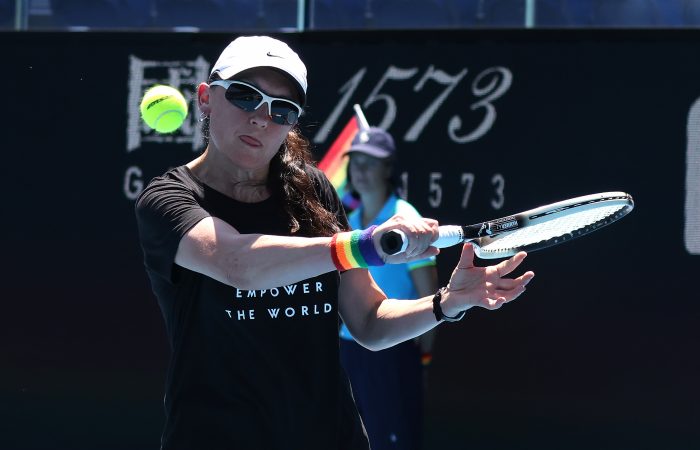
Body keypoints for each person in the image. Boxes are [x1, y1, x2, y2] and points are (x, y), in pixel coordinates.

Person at [134, 35, 534, 450]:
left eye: (282, 109)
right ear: (205, 98)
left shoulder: (312, 190)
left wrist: (445, 303)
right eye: (245, 95)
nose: (261, 119)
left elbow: (370, 320)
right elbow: (237, 265)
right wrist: (363, 245)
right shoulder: (167, 199)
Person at [339, 126, 438, 450]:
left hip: (394, 347)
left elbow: (430, 299)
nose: (361, 171)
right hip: (348, 349)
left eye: (371, 162)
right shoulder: (347, 218)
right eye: (357, 162)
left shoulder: (406, 218)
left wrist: (420, 357)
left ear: (388, 168)